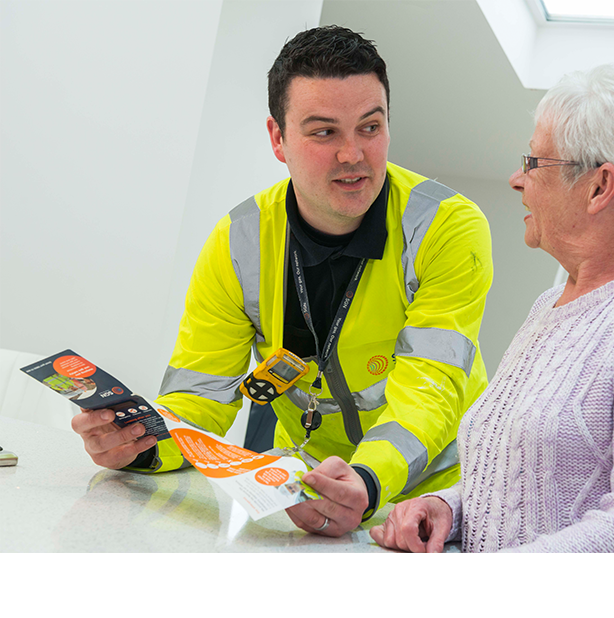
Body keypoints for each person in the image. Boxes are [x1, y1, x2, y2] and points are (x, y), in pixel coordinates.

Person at [70, 26, 493, 537]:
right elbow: (198, 400)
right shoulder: (237, 241)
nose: (353, 154)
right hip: (314, 497)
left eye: (370, 127)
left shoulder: (447, 226)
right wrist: (138, 445)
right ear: (278, 138)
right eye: (323, 132)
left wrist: (367, 480)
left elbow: (430, 388)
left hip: (446, 498)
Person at [371, 63, 614, 553]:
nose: (516, 179)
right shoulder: (552, 302)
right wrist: (448, 508)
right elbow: (521, 486)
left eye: (534, 162)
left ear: (598, 187)